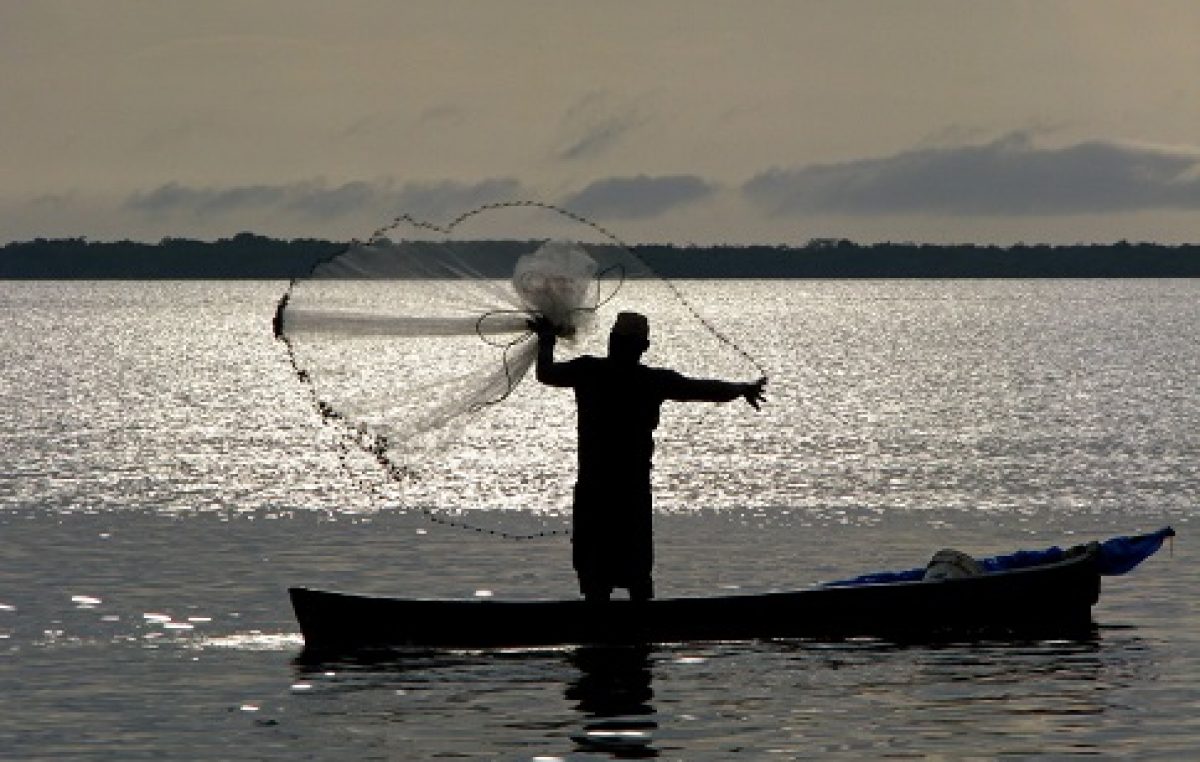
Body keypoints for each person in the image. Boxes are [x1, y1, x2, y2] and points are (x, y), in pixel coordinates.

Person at [533, 311, 766, 603]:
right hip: (630, 490)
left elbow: (545, 372)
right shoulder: (651, 381)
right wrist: (741, 389)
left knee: (598, 573)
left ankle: (597, 633)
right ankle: (641, 634)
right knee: (634, 574)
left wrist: (545, 340)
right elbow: (702, 389)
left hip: (597, 489)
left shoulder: (589, 371)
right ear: (644, 348)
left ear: (612, 342)